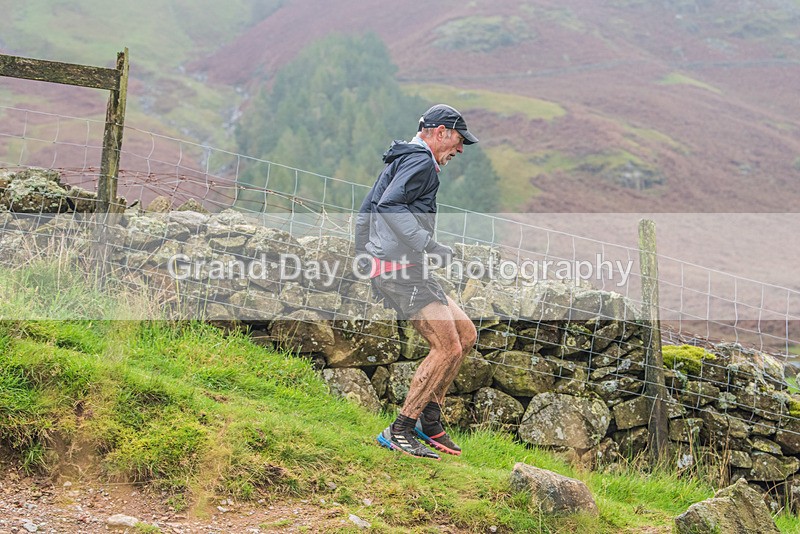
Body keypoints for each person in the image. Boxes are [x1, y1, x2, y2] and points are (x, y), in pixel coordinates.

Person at [354, 104, 479, 460]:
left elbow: (369, 206)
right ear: (440, 132)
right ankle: (400, 429)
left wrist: (365, 256)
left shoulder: (405, 158)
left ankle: (429, 419)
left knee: (466, 334)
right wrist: (429, 245)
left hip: (398, 265)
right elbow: (390, 206)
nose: (459, 150)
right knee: (448, 347)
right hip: (399, 268)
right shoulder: (421, 162)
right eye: (457, 141)